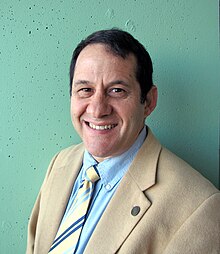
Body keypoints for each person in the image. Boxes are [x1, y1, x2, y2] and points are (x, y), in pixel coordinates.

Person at [26, 28, 220, 254]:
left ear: (148, 101)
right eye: (85, 89)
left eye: (117, 90)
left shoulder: (199, 207)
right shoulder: (60, 164)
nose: (98, 110)